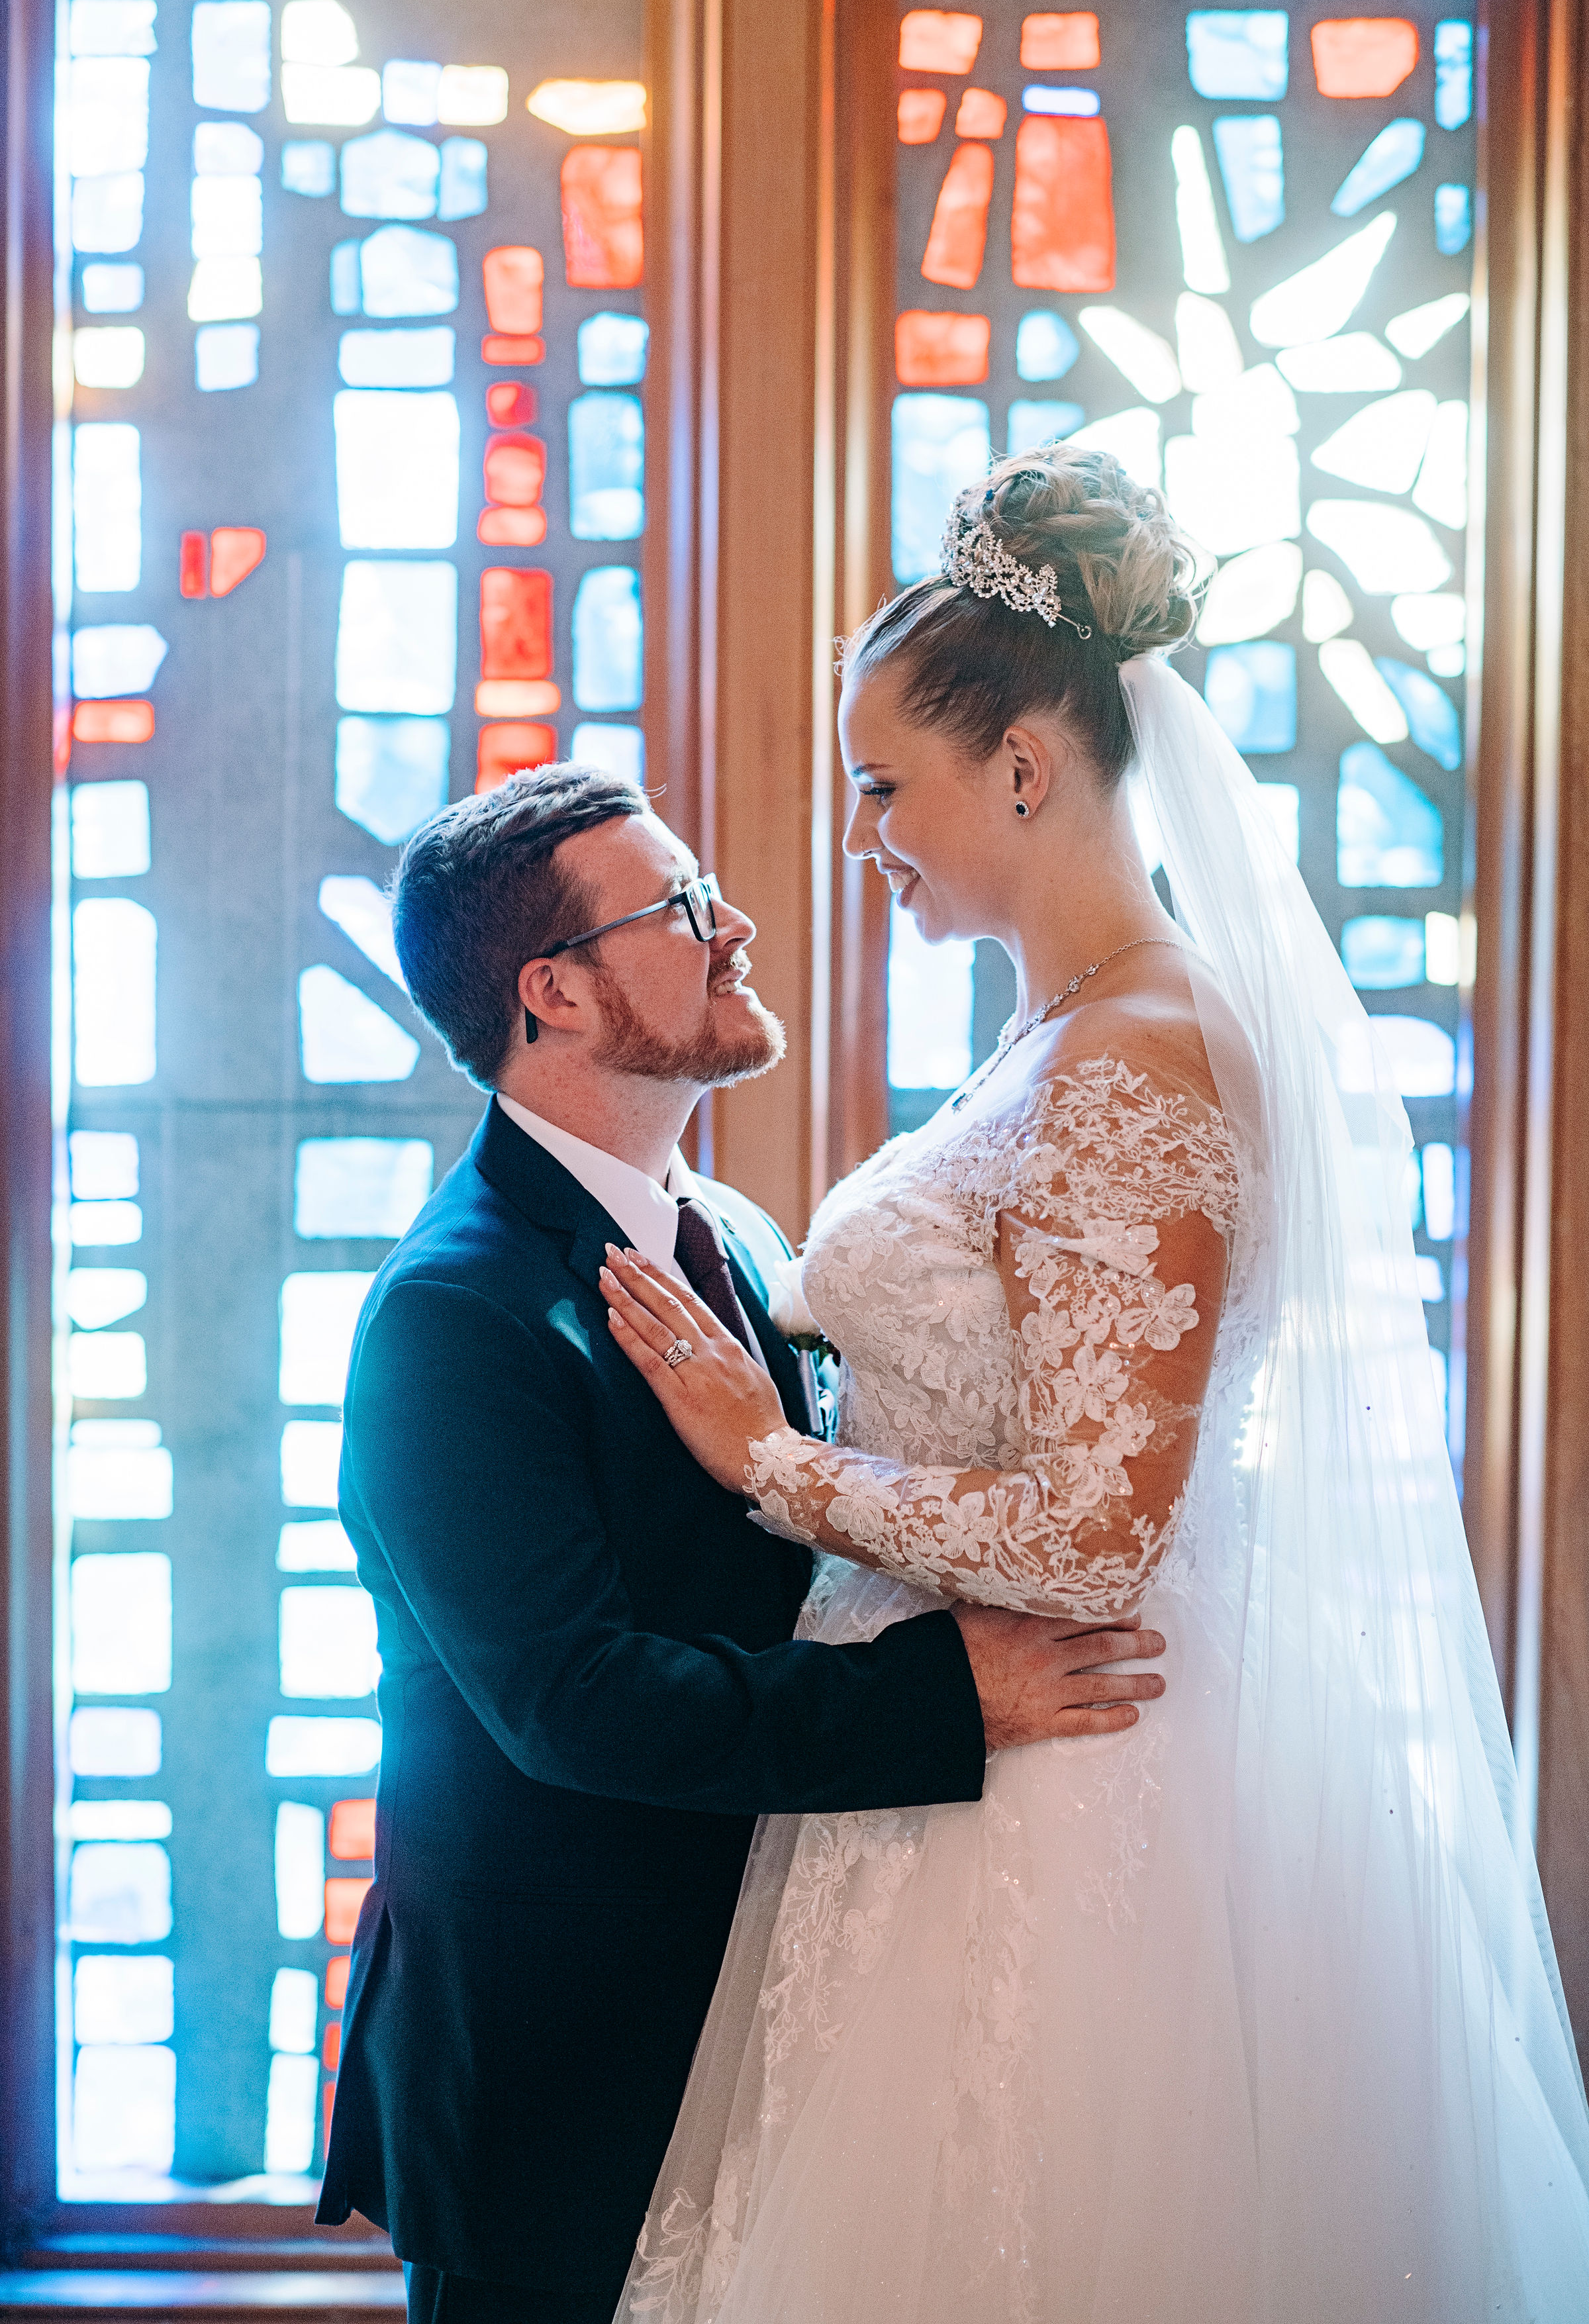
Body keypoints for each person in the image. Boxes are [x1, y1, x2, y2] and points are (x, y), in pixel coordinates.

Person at [603, 447, 1589, 2321]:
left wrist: (770, 1465)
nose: (862, 833)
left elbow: (1095, 1532)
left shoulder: (1137, 1055)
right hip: (953, 1757)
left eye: (883, 784)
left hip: (1072, 1789)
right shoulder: (1056, 1039)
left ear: (1026, 769)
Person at [313, 762, 1171, 2324]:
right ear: (555, 993)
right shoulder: (453, 1315)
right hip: (566, 2079)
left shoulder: (749, 1244)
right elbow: (575, 1700)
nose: (738, 927)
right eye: (684, 908)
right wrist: (948, 1696)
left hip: (771, 2043)